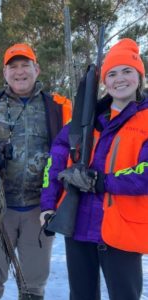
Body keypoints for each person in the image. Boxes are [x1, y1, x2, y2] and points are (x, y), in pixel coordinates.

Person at [40, 38, 148, 300]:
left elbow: (144, 175)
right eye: (112, 73)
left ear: (140, 76)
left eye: (127, 71)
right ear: (104, 82)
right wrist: (48, 205)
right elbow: (55, 160)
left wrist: (101, 181)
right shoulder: (83, 120)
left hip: (122, 227)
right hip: (77, 223)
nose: (119, 79)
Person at [0, 43, 71, 300]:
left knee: (33, 288)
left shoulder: (58, 107)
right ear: (4, 73)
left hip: (39, 211)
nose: (19, 72)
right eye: (12, 67)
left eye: (25, 65)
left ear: (36, 69)